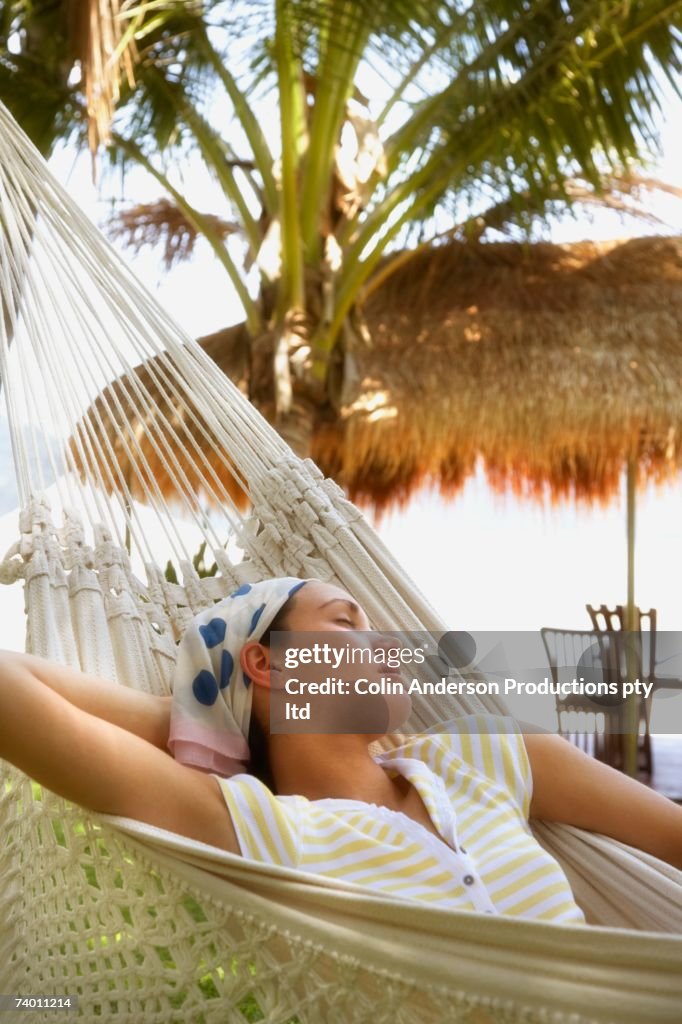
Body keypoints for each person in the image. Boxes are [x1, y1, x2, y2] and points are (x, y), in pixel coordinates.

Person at [0, 577, 680, 925]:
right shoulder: (260, 831)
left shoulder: (485, 753)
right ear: (266, 663)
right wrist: (189, 716)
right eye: (345, 622)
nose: (387, 643)